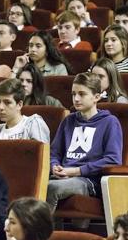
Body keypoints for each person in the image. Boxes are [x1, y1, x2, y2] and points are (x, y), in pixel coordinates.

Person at [47, 73, 123, 213]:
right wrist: (54, 166)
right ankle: (56, 232)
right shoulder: (68, 120)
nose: (76, 99)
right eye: (73, 94)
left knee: (51, 188)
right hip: (63, 175)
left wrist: (77, 171)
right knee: (32, 185)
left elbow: (113, 160)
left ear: (96, 97)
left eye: (82, 94)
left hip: (89, 180)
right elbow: (54, 153)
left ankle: (40, 233)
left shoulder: (110, 122)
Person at [0, 78, 50, 143]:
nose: (0, 107)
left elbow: (42, 153)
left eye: (7, 102)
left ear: (19, 105)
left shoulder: (33, 123)